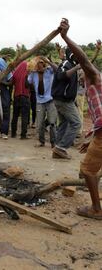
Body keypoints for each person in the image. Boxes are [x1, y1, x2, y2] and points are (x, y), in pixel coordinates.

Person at [59, 18, 102, 219]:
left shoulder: (94, 78)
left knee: (87, 170)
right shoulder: (94, 83)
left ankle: (95, 209)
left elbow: (84, 59)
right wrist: (91, 139)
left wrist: (66, 37)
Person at [51, 41, 82, 159]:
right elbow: (60, 76)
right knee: (76, 123)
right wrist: (76, 68)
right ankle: (61, 148)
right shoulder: (67, 64)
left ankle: (57, 150)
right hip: (63, 100)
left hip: (63, 100)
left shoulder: (71, 64)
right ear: (72, 55)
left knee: (64, 123)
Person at [28, 57, 57, 147]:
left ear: (44, 64)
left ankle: (53, 142)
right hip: (39, 101)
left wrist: (48, 61)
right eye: (37, 64)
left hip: (51, 100)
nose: (39, 65)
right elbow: (28, 82)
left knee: (52, 122)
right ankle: (41, 141)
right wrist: (29, 71)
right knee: (39, 123)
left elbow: (56, 69)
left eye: (41, 63)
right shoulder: (33, 74)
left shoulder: (49, 70)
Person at [11, 61, 30, 139]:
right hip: (25, 96)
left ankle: (13, 133)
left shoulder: (15, 73)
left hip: (16, 96)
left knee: (15, 115)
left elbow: (12, 83)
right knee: (24, 116)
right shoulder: (28, 73)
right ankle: (23, 135)